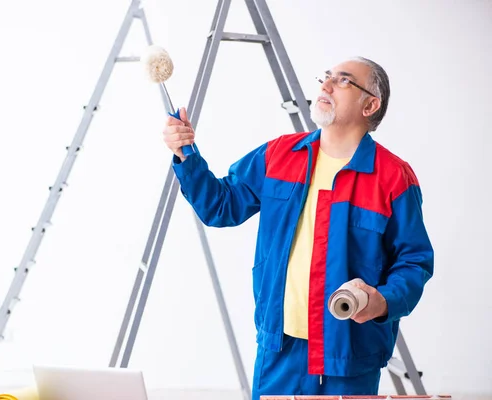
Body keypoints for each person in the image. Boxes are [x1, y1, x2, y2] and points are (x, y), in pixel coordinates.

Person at [162, 57, 434, 398]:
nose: (326, 85)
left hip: (350, 355)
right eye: (326, 77)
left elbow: (414, 261)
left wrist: (382, 301)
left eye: (344, 81)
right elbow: (221, 206)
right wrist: (184, 154)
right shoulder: (279, 155)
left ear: (370, 105)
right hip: (280, 348)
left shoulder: (393, 177)